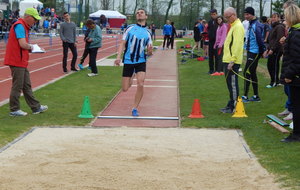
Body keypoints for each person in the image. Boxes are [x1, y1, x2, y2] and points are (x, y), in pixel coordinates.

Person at [4, 8, 48, 116]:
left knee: (26, 85)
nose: (35, 21)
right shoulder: (20, 25)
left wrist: (32, 48)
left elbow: (23, 45)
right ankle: (14, 109)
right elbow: (23, 44)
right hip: (16, 60)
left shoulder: (23, 26)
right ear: (28, 17)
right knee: (17, 86)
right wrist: (33, 47)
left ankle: (36, 107)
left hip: (21, 60)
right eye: (34, 19)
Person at [114, 8, 153, 117]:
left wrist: (150, 52)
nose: (139, 14)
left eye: (141, 12)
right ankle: (131, 77)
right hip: (128, 61)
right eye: (137, 13)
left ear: (146, 16)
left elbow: (150, 51)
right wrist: (118, 57)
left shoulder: (148, 33)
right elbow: (122, 43)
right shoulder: (130, 28)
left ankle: (135, 108)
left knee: (140, 83)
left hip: (141, 61)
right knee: (125, 89)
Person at [279, 4, 300, 142]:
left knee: (297, 107)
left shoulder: (296, 33)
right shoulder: (293, 32)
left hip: (296, 77)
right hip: (295, 75)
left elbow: (297, 58)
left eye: (285, 16)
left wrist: (288, 75)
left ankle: (296, 134)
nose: (284, 19)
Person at [220, 7, 245, 114]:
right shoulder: (233, 26)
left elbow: (237, 45)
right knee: (230, 84)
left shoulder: (238, 27)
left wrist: (232, 60)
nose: (226, 19)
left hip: (232, 61)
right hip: (228, 59)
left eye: (227, 17)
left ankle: (234, 106)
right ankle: (231, 104)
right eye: (225, 17)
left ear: (234, 15)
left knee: (233, 85)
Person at [242, 7, 265, 103]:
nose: (245, 16)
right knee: (252, 72)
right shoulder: (251, 24)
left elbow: (260, 39)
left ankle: (245, 96)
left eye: (247, 14)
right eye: (245, 14)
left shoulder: (256, 25)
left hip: (255, 52)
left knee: (246, 72)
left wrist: (261, 51)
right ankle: (256, 96)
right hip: (251, 51)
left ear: (252, 14)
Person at [263, 13, 285, 88]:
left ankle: (275, 82)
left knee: (274, 65)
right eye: (272, 17)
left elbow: (279, 39)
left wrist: (272, 49)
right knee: (270, 65)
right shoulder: (273, 27)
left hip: (277, 50)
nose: (273, 18)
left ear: (279, 18)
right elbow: (271, 40)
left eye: (275, 17)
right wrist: (268, 49)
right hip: (272, 49)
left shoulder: (280, 27)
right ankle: (274, 81)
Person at [207, 8, 218, 74]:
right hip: (211, 41)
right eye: (211, 14)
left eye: (214, 14)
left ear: (216, 14)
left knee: (217, 56)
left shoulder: (219, 21)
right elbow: (209, 29)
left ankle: (217, 69)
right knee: (210, 56)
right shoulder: (210, 21)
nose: (212, 16)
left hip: (217, 41)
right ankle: (211, 69)